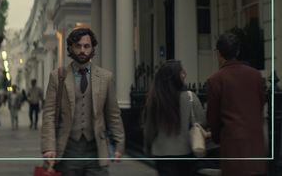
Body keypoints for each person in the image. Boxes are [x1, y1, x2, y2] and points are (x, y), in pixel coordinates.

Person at [41, 27, 125, 176]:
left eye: (86, 46)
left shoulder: (106, 77)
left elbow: (113, 114)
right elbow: (49, 114)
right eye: (78, 46)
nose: (82, 50)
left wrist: (119, 143)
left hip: (96, 149)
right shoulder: (58, 76)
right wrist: (49, 146)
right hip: (68, 149)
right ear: (71, 48)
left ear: (92, 48)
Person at [207, 32, 267, 176]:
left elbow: (213, 117)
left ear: (219, 53)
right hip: (256, 147)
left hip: (233, 149)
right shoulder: (256, 75)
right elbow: (261, 104)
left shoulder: (216, 79)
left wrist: (216, 137)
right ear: (238, 51)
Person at [143, 59, 205, 176]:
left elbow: (149, 128)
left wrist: (147, 147)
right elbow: (202, 121)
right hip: (185, 151)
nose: (185, 73)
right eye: (182, 71)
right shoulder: (190, 97)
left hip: (161, 152)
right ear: (176, 76)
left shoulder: (155, 99)